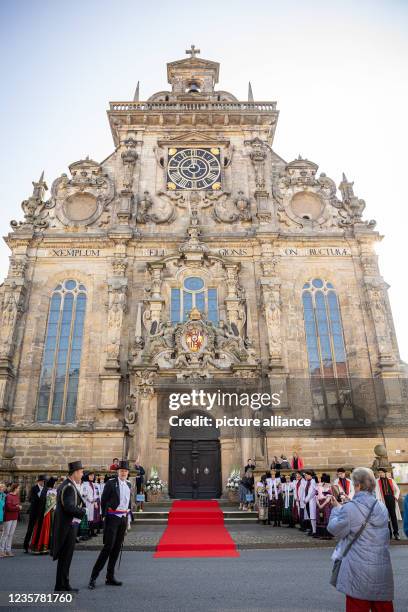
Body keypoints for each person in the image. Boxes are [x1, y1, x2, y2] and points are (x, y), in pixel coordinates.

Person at [328, 467, 394, 612]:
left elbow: (335, 529)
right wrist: (342, 509)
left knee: (357, 606)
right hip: (381, 569)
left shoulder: (350, 508)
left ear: (357, 486)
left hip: (357, 570)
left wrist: (335, 510)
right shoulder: (381, 507)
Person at [88, 460, 132, 590]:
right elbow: (104, 500)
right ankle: (93, 577)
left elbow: (128, 502)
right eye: (121, 471)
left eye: (125, 471)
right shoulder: (111, 483)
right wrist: (104, 517)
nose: (123, 473)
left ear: (128, 472)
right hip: (112, 518)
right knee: (108, 547)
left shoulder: (129, 484)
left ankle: (110, 576)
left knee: (117, 548)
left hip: (123, 518)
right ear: (118, 472)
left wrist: (129, 517)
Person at [52, 461, 86, 592]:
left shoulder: (67, 484)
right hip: (67, 527)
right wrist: (83, 511)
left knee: (65, 558)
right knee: (65, 557)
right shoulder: (69, 487)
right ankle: (61, 585)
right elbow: (69, 507)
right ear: (76, 472)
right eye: (81, 472)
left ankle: (62, 584)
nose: (82, 474)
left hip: (66, 526)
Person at [30, 477, 58, 554]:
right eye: (55, 483)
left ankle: (40, 547)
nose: (55, 484)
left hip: (43, 514)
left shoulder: (45, 490)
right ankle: (41, 547)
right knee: (45, 529)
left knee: (42, 529)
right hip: (47, 514)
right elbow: (53, 505)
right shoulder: (50, 492)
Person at [375, 469, 401, 540]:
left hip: (391, 499)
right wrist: (378, 501)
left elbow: (397, 490)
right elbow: (376, 492)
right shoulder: (377, 481)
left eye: (382, 472)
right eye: (379, 473)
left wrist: (395, 497)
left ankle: (396, 533)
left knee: (393, 516)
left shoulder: (391, 480)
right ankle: (389, 534)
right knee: (386, 517)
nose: (380, 474)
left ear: (385, 473)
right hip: (383, 500)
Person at [23, 474, 46, 553]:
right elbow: (31, 499)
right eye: (42, 481)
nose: (43, 483)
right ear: (39, 481)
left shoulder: (45, 489)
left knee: (39, 529)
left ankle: (36, 545)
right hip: (34, 512)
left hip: (41, 512)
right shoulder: (34, 488)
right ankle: (25, 545)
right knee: (30, 529)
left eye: (44, 481)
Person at [0, 483, 22, 557]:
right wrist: (17, 507)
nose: (19, 489)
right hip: (8, 517)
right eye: (18, 488)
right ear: (15, 488)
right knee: (5, 534)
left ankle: (8, 550)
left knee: (11, 534)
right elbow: (9, 507)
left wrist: (17, 507)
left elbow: (17, 505)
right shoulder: (9, 496)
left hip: (14, 517)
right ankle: (1, 550)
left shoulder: (17, 496)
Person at [81, 471, 100, 537]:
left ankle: (91, 532)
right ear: (87, 476)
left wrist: (95, 501)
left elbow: (96, 493)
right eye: (90, 475)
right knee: (88, 518)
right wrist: (92, 501)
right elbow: (84, 494)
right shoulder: (85, 484)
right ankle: (86, 533)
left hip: (93, 503)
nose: (92, 477)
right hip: (87, 503)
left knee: (92, 518)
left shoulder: (93, 484)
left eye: (93, 475)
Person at [315, 473, 333, 540]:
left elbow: (328, 498)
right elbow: (316, 496)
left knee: (326, 518)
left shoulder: (329, 487)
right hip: (320, 504)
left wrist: (321, 505)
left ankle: (326, 534)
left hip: (326, 505)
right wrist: (319, 504)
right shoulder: (319, 486)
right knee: (319, 518)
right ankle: (321, 534)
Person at [303, 470, 318, 537]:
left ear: (310, 475)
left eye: (306, 475)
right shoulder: (307, 482)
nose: (305, 476)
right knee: (310, 515)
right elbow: (305, 491)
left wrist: (306, 500)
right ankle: (312, 529)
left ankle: (314, 531)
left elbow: (312, 492)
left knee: (312, 516)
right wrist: (304, 499)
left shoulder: (313, 482)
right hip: (307, 501)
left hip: (311, 501)